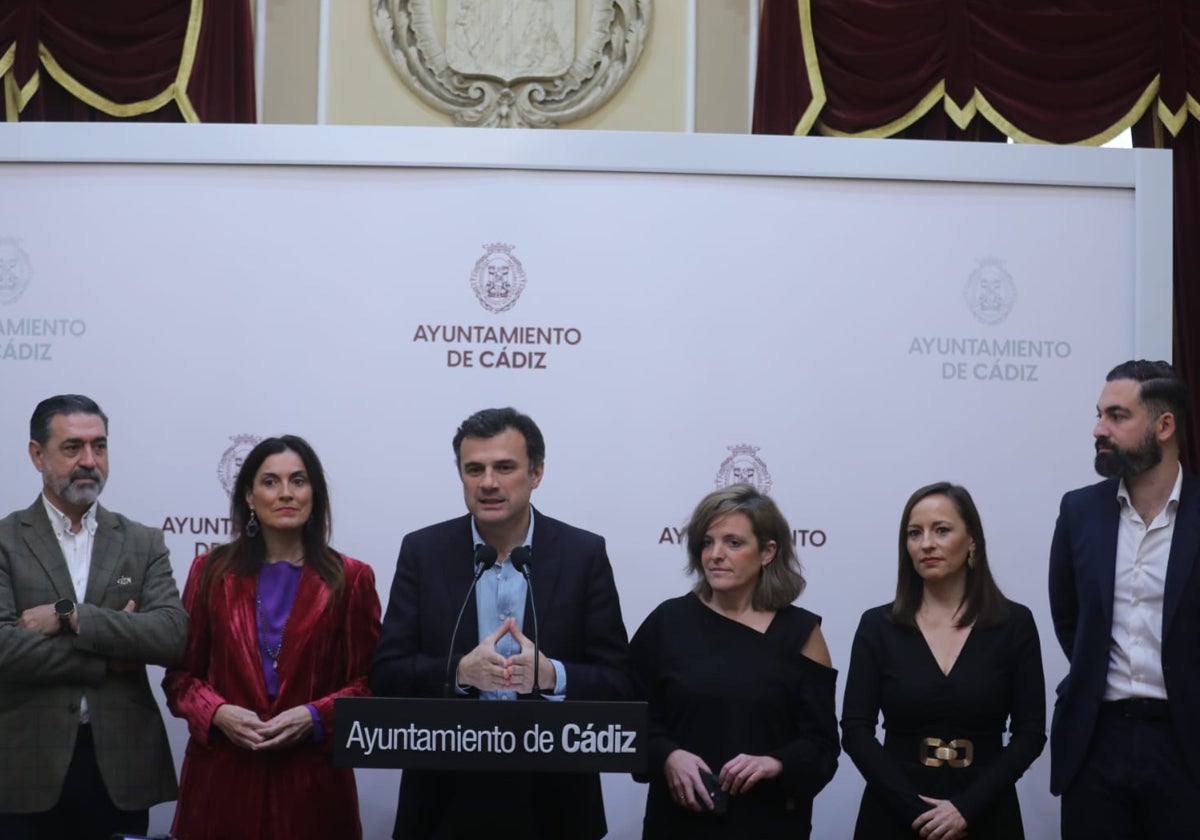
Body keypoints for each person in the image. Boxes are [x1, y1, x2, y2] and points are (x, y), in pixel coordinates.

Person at [370, 407, 632, 840]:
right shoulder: (423, 551)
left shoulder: (583, 554)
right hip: (444, 797)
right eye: (474, 469)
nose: (488, 482)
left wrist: (552, 675)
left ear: (536, 473)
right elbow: (386, 673)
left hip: (555, 798)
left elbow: (621, 683)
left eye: (504, 467)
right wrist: (458, 672)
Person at [163, 435, 381, 840]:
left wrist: (314, 717)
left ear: (315, 492)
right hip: (221, 785)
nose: (285, 493)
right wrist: (217, 713)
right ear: (249, 495)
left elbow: (370, 685)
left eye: (298, 481)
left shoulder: (351, 578)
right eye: (270, 482)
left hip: (314, 791)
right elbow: (180, 676)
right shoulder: (209, 571)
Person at [0, 394, 187, 840]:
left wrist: (71, 616)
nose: (89, 461)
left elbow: (170, 635)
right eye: (72, 448)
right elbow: (4, 647)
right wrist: (108, 656)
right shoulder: (5, 540)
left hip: (121, 768)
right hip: (25, 765)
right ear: (36, 454)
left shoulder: (142, 542)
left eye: (99, 446)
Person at [629, 484, 839, 839]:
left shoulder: (803, 633)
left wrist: (776, 763)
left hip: (768, 823)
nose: (715, 554)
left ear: (768, 551)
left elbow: (821, 747)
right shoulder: (667, 622)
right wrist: (667, 755)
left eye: (733, 543)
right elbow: (629, 714)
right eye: (707, 542)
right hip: (678, 823)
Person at [842, 482, 1045, 840]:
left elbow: (1030, 734)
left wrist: (967, 808)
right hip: (894, 813)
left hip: (986, 812)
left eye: (942, 530)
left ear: (972, 540)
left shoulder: (1014, 624)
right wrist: (914, 810)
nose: (926, 544)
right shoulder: (877, 626)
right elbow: (856, 730)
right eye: (914, 533)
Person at [1049, 360, 1200, 838]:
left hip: (1186, 743)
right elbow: (1068, 617)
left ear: (1164, 424)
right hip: (1097, 741)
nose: (1099, 429)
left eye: (1117, 416)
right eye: (1099, 415)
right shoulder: (1079, 511)